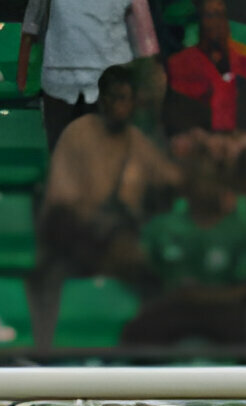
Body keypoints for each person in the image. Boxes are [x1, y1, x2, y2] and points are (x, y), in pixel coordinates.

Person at [44, 64, 180, 279]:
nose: (120, 105)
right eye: (115, 97)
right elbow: (61, 199)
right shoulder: (78, 131)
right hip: (82, 231)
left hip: (124, 229)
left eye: (126, 99)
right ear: (102, 100)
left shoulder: (135, 139)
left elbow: (170, 177)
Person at [123, 151, 246, 346]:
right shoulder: (163, 226)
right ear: (187, 186)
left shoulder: (237, 231)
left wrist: (203, 295)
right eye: (199, 180)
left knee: (241, 331)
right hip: (173, 307)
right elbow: (139, 271)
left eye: (212, 180)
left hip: (219, 309)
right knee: (138, 331)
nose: (206, 187)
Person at [20, 0, 140, 149]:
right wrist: (22, 76)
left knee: (109, 153)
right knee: (63, 152)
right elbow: (31, 24)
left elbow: (139, 27)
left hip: (108, 78)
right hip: (62, 78)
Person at [168, 0, 246, 138]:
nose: (215, 22)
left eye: (220, 15)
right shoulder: (179, 64)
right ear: (200, 20)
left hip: (241, 137)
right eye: (209, 15)